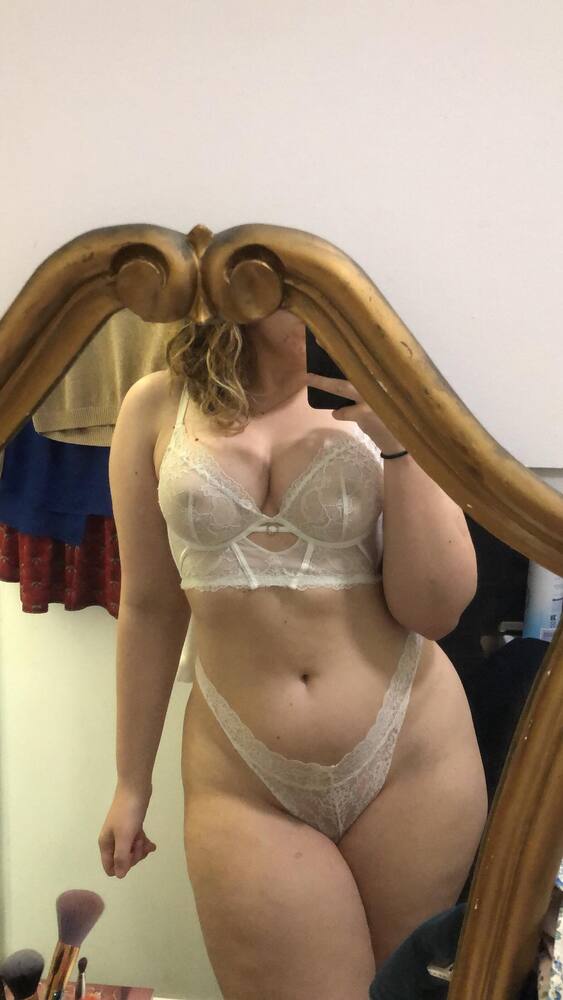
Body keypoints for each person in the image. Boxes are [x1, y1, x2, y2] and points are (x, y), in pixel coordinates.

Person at [98, 309, 488, 1000]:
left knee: (408, 993)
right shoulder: (155, 404)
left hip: (410, 755)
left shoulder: (395, 389)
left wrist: (400, 442)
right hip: (243, 777)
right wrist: (132, 782)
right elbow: (151, 607)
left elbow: (435, 612)